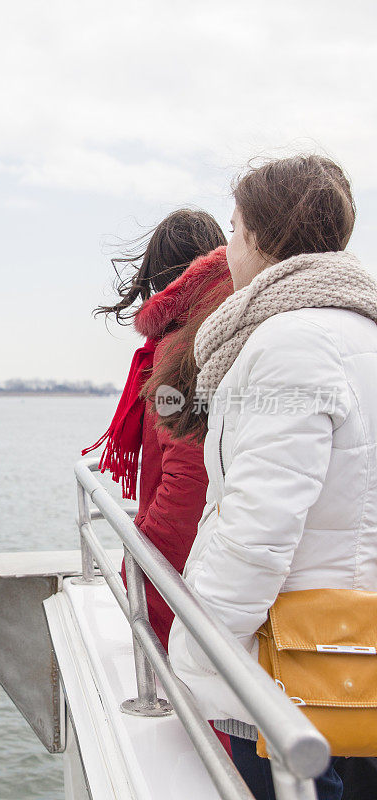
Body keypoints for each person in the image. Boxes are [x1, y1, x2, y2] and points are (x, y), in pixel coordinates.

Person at [168, 154, 377, 800]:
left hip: (297, 668)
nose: (227, 249)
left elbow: (259, 524)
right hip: (361, 654)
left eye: (233, 230)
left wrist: (201, 649)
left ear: (263, 237)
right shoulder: (361, 330)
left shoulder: (290, 343)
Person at [84, 209, 231, 651]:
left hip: (189, 567)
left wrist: (142, 564)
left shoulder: (182, 349)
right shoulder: (224, 327)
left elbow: (189, 477)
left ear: (159, 278)